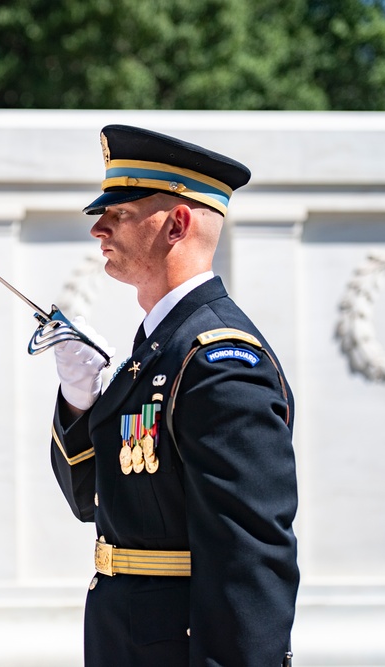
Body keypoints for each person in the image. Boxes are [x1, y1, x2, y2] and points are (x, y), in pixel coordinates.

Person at [47, 125, 299, 666]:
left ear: (177, 224)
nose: (98, 228)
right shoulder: (161, 349)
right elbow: (91, 500)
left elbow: (250, 556)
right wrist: (79, 400)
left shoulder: (219, 360)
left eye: (119, 212)